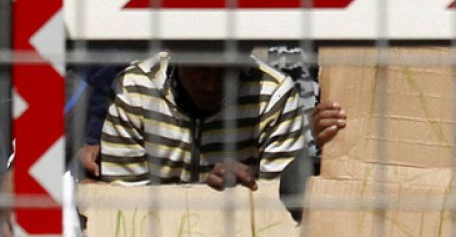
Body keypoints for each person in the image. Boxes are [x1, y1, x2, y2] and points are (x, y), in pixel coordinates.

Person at [97, 52, 305, 187]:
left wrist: (252, 188)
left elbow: (282, 211)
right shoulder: (134, 92)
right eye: (201, 68)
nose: (211, 84)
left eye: (225, 70)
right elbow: (124, 210)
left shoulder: (274, 96)